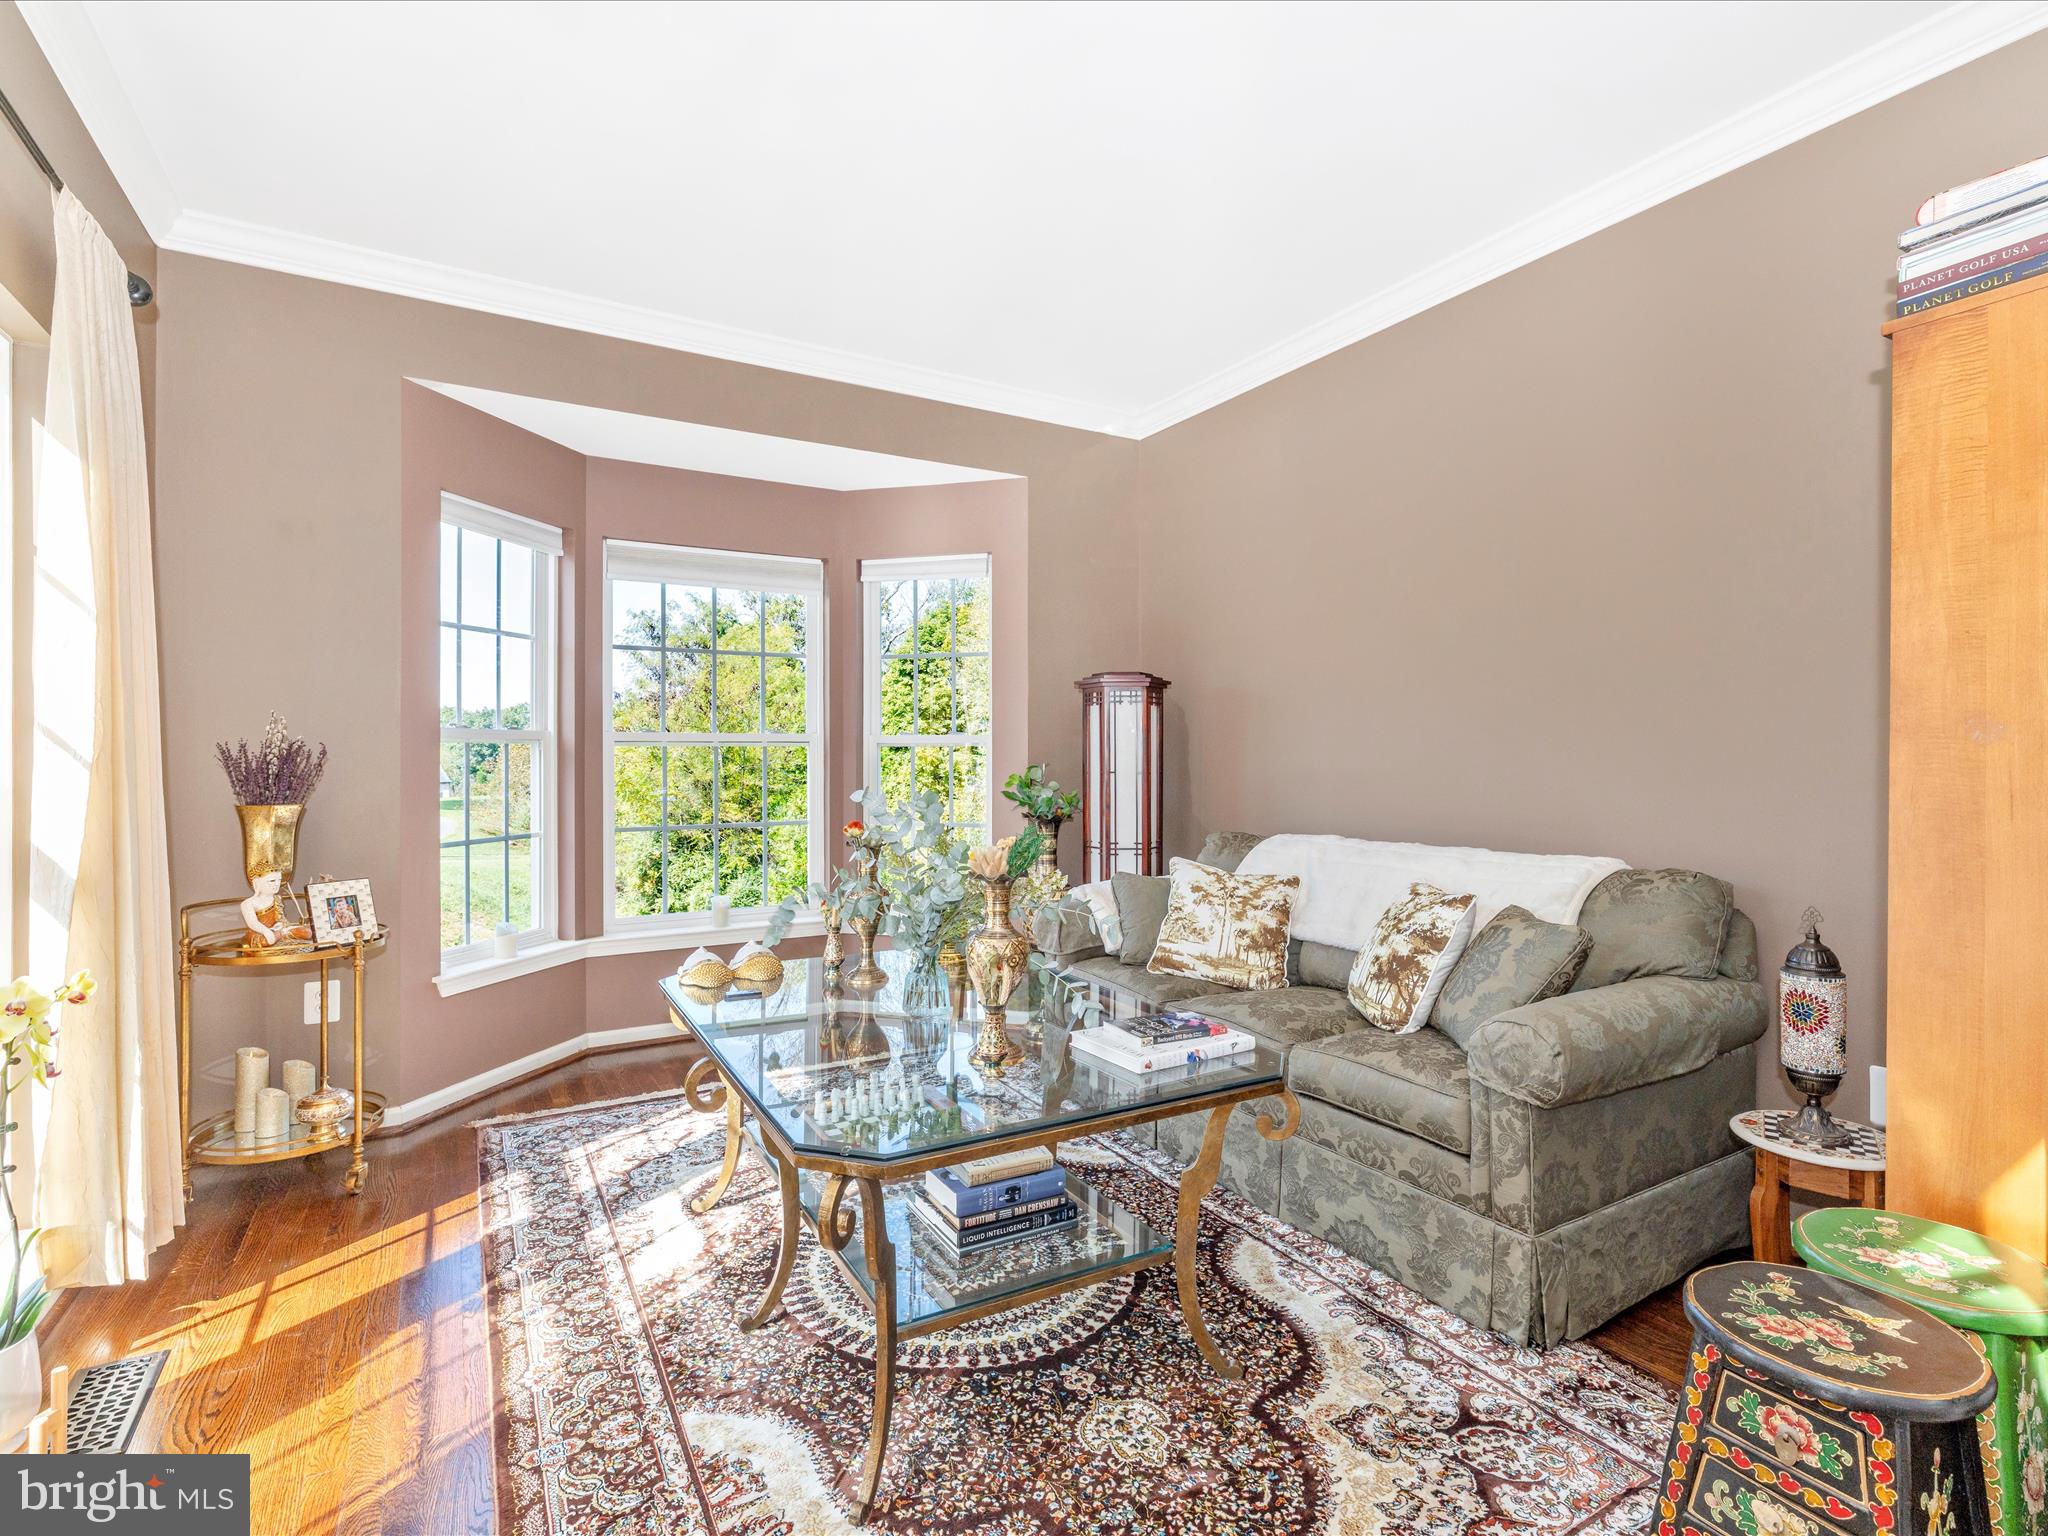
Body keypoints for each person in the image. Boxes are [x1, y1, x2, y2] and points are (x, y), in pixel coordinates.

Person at [241, 867, 313, 949]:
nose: (277, 884)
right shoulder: (248, 903)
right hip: (260, 932)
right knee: (266, 941)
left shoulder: (277, 898)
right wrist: (266, 931)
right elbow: (253, 923)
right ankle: (281, 934)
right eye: (272, 881)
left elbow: (281, 919)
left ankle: (282, 934)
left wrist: (280, 925)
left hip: (278, 930)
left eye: (279, 880)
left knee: (308, 932)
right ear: (257, 882)